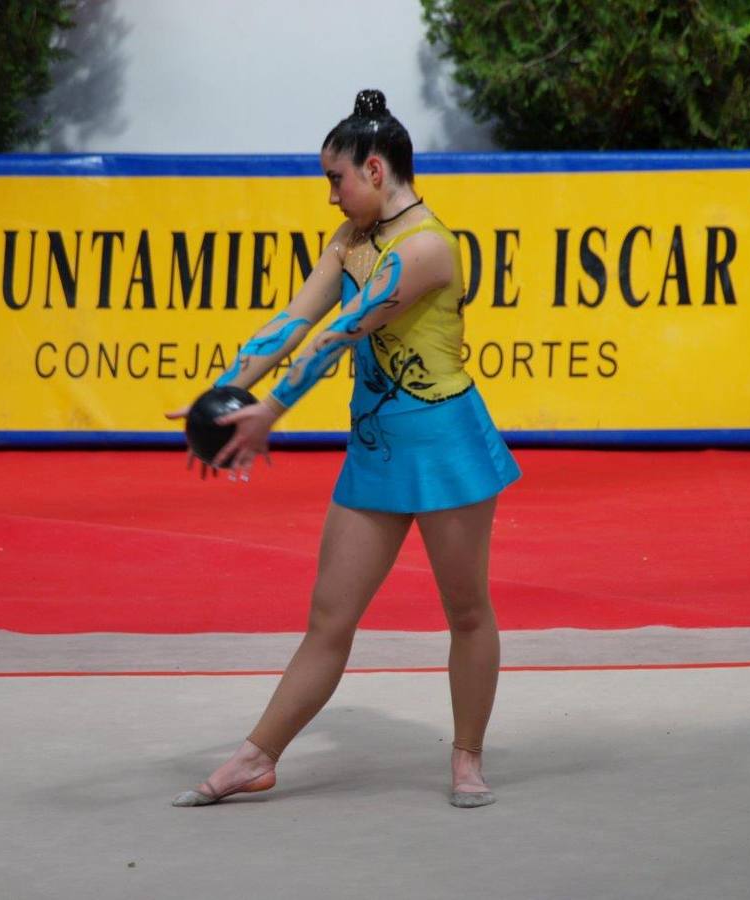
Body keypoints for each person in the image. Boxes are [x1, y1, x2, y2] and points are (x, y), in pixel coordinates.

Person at [166, 90, 521, 808]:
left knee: (468, 613)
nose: (330, 196)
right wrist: (222, 394)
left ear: (378, 169)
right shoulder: (350, 241)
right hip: (377, 450)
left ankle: (467, 759)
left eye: (337, 179)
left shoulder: (424, 250)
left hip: (446, 445)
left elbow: (342, 334)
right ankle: (256, 756)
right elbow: (295, 321)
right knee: (329, 617)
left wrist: (269, 410)